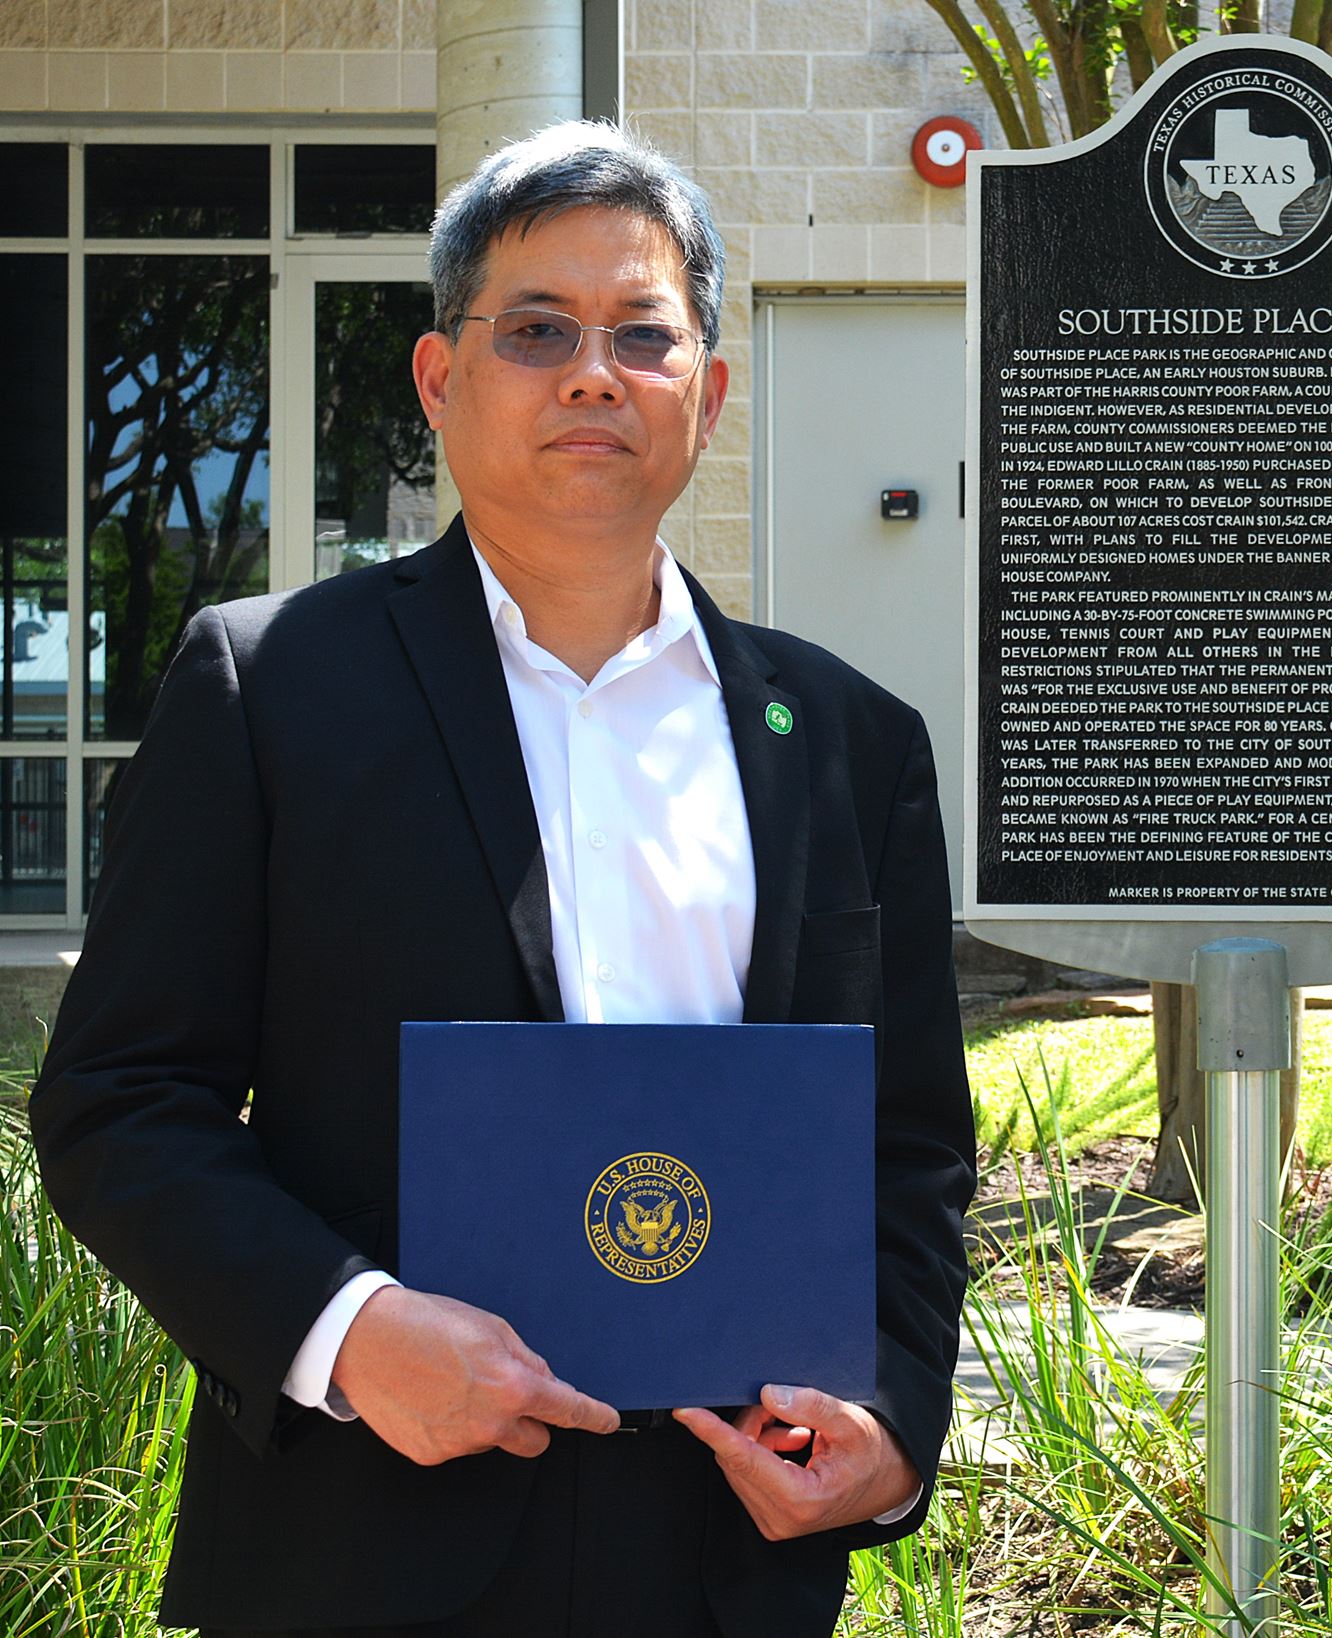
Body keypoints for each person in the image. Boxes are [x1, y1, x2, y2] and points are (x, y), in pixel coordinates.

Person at [30, 122, 974, 1637]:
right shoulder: (270, 688)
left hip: (727, 1555)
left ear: (709, 394)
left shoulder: (848, 740)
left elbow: (910, 1143)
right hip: (363, 1542)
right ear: (436, 378)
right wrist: (349, 1330)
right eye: (535, 330)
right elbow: (119, 1099)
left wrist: (891, 1417)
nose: (593, 373)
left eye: (641, 336)